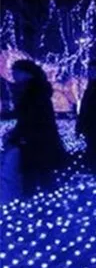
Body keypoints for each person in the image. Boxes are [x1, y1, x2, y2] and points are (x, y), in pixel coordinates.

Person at [3, 59, 66, 197]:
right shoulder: (34, 90)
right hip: (39, 138)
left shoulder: (32, 92)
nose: (13, 75)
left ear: (26, 73)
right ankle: (47, 200)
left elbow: (30, 118)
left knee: (33, 174)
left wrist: (15, 136)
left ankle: (34, 202)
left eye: (16, 72)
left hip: (35, 139)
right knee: (42, 174)